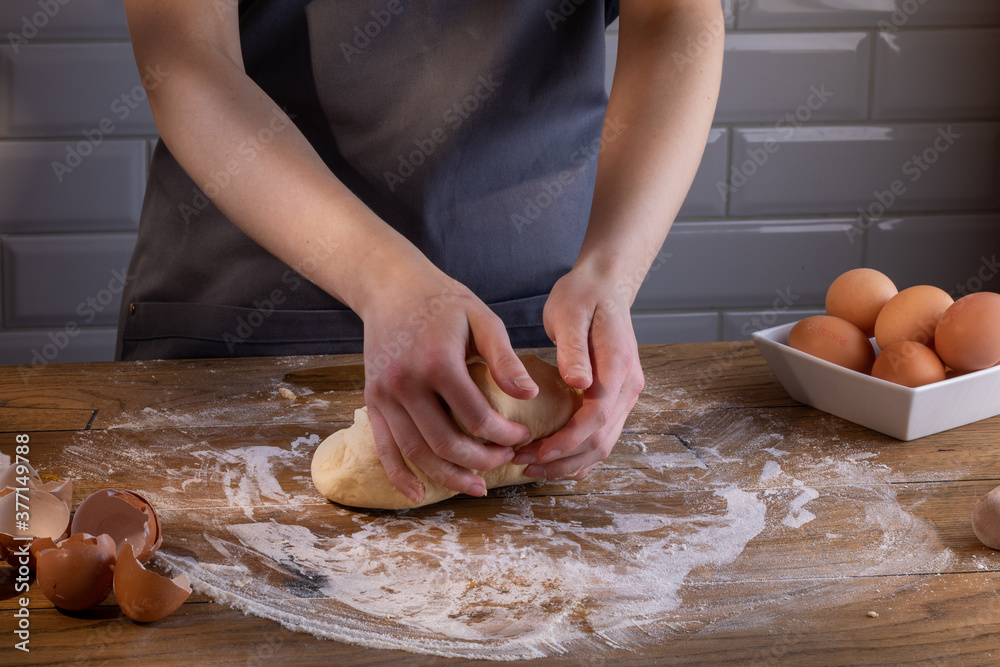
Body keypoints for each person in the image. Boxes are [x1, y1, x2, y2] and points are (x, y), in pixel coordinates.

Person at [117, 0, 724, 504]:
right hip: (244, 313)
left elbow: (673, 15)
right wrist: (383, 276)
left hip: (524, 326)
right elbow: (184, 54)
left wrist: (609, 272)